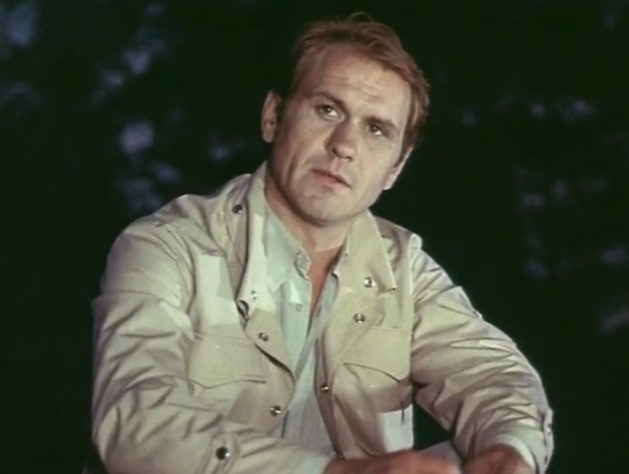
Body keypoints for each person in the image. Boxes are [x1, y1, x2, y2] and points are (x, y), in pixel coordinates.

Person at [89, 12, 554, 474]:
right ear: (273, 116)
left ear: (396, 167)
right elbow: (137, 421)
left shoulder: (407, 273)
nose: (344, 145)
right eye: (327, 110)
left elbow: (495, 377)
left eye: (376, 129)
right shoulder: (167, 247)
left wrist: (510, 450)